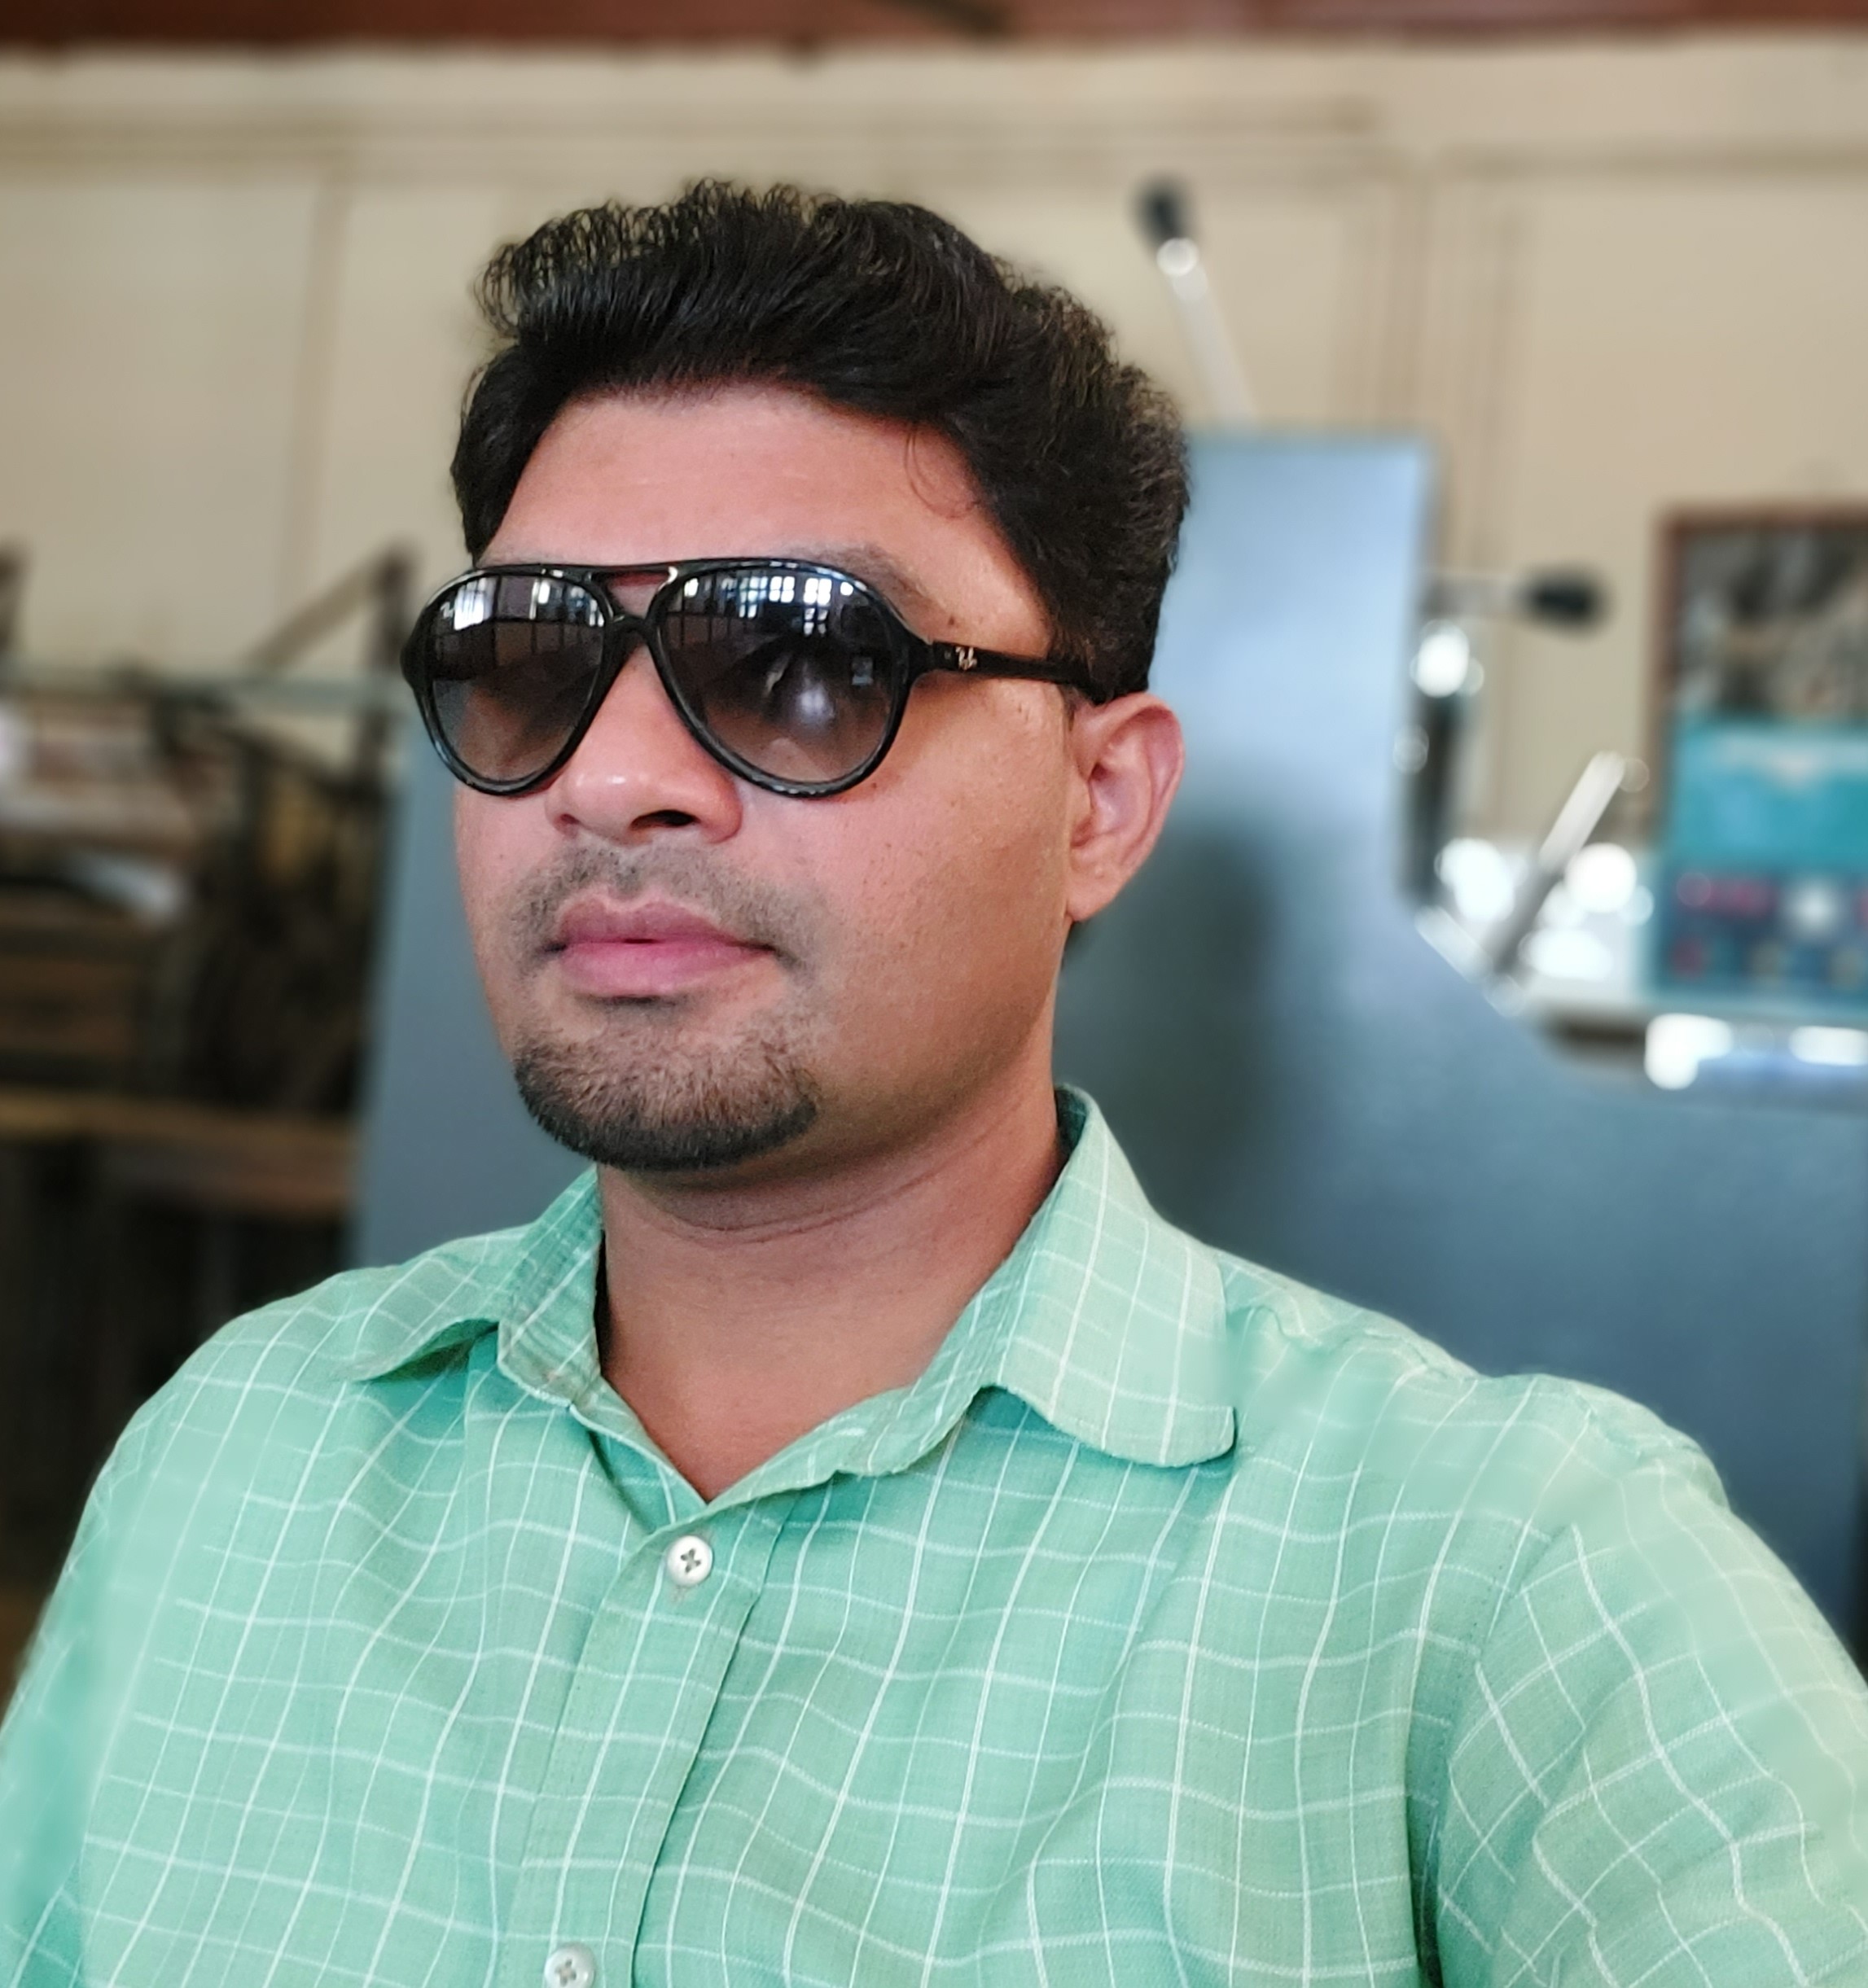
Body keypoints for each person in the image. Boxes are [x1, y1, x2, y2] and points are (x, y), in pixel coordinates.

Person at [3, 182, 1866, 1987]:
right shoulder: (237, 1460)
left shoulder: (1509, 1590)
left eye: (804, 664)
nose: (612, 778)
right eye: (537, 659)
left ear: (1098, 802)